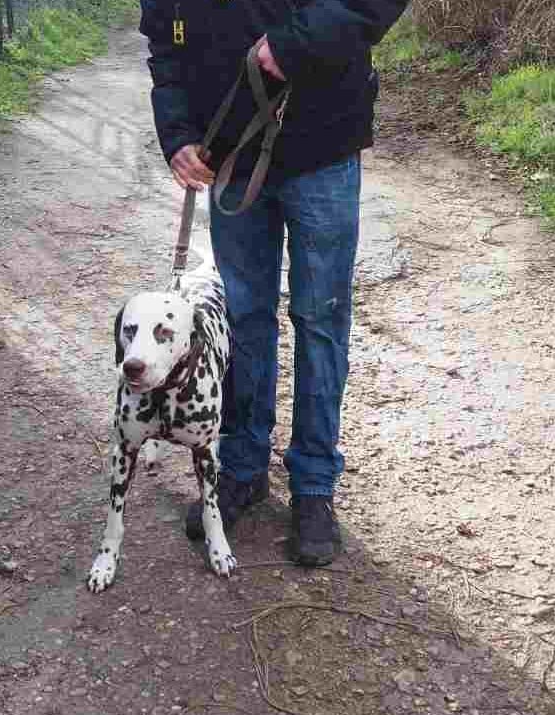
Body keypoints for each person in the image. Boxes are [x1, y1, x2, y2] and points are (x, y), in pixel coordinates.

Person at [138, 0, 407, 566]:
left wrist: (295, 43)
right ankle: (242, 467)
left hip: (324, 146)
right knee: (243, 316)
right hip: (229, 153)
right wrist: (178, 131)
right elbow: (164, 42)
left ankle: (313, 487)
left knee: (320, 319)